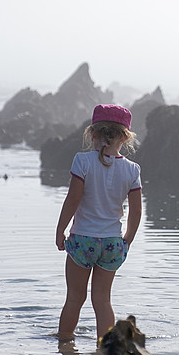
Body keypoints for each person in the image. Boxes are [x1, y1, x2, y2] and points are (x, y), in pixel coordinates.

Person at [55, 104, 142, 341]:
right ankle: (106, 350)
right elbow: (135, 211)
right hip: (112, 243)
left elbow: (73, 199)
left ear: (93, 133)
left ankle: (64, 345)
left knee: (75, 298)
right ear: (125, 137)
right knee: (103, 301)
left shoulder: (82, 161)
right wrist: (128, 240)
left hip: (83, 240)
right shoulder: (132, 169)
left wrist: (60, 230)